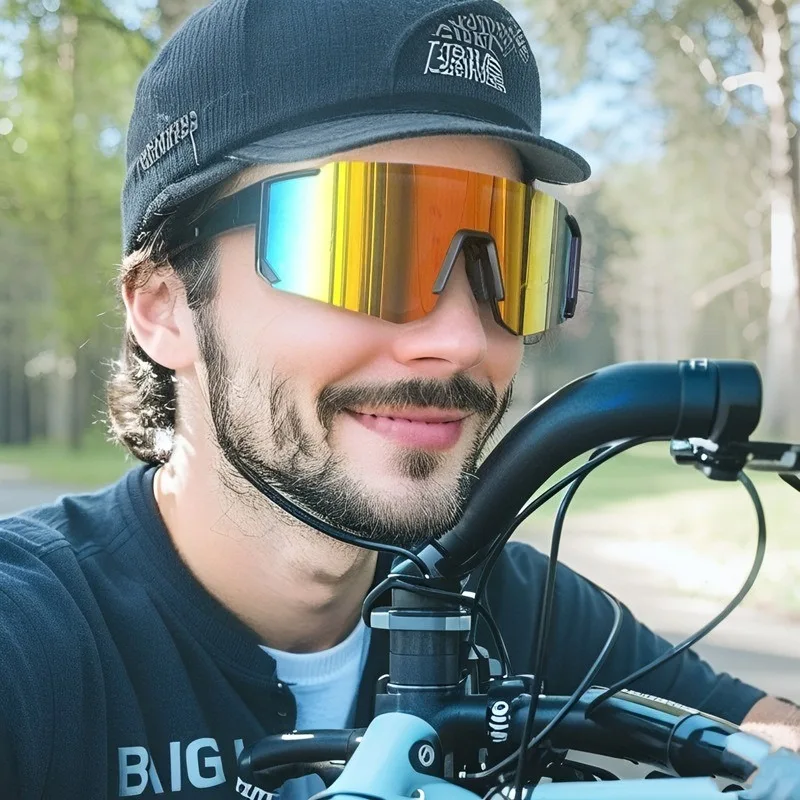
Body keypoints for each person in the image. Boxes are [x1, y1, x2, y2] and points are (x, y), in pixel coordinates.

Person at [1, 0, 798, 797]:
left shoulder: (506, 599)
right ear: (165, 308)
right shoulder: (34, 642)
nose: (462, 339)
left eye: (513, 257)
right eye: (367, 245)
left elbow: (772, 738)